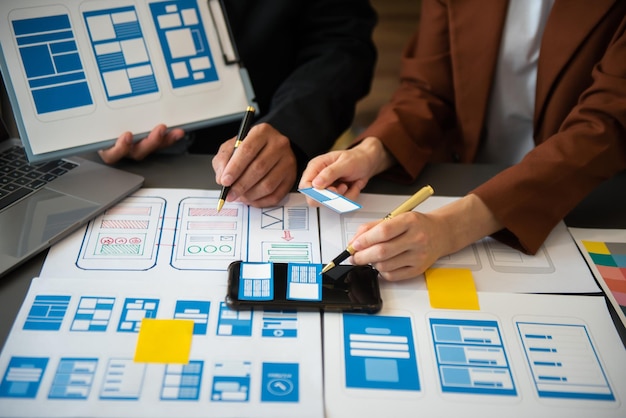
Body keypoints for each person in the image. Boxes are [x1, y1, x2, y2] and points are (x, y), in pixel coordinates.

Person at [299, 0, 626, 282]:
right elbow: (429, 88)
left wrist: (451, 228)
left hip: (586, 199)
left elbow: (604, 128)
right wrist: (374, 150)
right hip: (464, 172)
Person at [99, 0, 377, 208]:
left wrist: (291, 128)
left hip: (269, 137)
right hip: (116, 168)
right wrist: (92, 125)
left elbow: (342, 42)